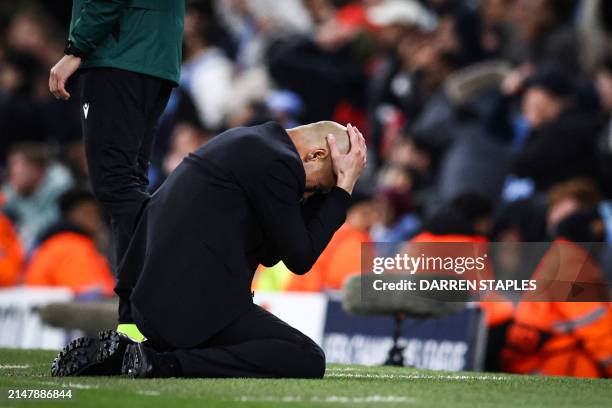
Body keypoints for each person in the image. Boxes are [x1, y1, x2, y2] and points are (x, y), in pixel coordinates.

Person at [52, 121, 367, 379]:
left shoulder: (254, 144)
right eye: (319, 187)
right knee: (307, 358)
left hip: (153, 300)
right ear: (314, 156)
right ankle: (159, 363)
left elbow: (275, 254)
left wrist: (328, 188)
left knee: (279, 344)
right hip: (190, 306)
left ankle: (125, 356)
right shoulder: (278, 164)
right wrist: (343, 190)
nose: (312, 196)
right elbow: (300, 258)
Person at [48, 0, 184, 341]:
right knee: (130, 184)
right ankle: (134, 322)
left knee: (115, 185)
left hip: (120, 55)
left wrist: (76, 47)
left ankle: (163, 290)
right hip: (154, 57)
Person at [24, 189, 115, 296]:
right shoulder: (70, 245)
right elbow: (88, 292)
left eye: (96, 213)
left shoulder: (63, 242)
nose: (95, 219)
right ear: (71, 216)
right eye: (87, 213)